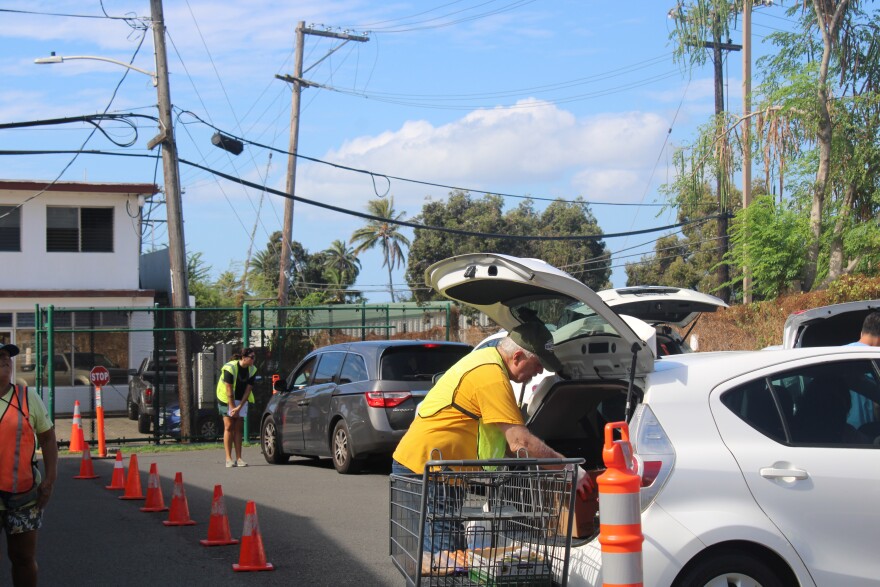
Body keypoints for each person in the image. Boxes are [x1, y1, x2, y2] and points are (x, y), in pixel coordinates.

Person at [392, 321, 593, 554]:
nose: (539, 372)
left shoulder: (486, 361)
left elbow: (506, 441)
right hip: (428, 469)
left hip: (439, 470)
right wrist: (568, 468)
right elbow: (520, 442)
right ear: (517, 356)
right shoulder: (491, 376)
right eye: (538, 364)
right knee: (445, 560)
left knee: (447, 558)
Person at [0, 343, 57, 587]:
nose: (5, 360)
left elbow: (47, 437)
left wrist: (49, 481)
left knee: (23, 558)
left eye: (7, 357)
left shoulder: (27, 397)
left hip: (23, 496)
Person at [215, 348, 257, 468]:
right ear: (244, 358)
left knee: (238, 428)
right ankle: (228, 459)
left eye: (254, 357)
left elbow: (248, 390)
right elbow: (228, 390)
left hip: (240, 399)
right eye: (252, 357)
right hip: (225, 398)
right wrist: (232, 408)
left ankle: (239, 458)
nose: (254, 359)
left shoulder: (252, 369)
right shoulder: (230, 368)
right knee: (229, 426)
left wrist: (239, 407)